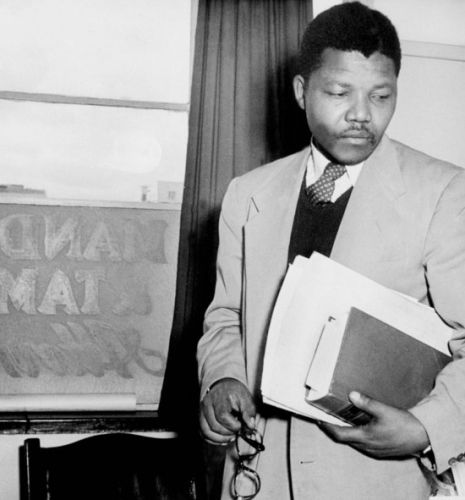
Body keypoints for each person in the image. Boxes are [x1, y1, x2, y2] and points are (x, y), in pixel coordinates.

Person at [197, 2, 465, 499]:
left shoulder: (445, 194)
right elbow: (227, 316)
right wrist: (221, 381)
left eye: (381, 95)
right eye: (340, 93)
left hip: (374, 482)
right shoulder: (247, 194)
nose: (361, 114)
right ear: (302, 91)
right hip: (255, 478)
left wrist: (427, 426)